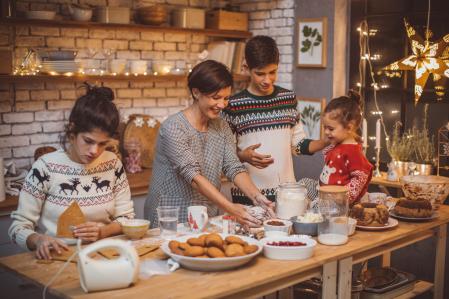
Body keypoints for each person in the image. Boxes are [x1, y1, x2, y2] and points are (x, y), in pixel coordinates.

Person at [144, 60, 275, 228]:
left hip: (205, 214)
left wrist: (257, 197)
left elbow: (233, 166)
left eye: (226, 98)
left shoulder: (221, 126)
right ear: (196, 92)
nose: (222, 105)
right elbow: (194, 177)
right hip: (170, 216)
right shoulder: (173, 127)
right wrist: (230, 208)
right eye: (216, 98)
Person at [8, 85, 134, 260]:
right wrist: (38, 240)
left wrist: (102, 231)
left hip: (104, 257)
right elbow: (18, 228)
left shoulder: (113, 164)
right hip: (57, 260)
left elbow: (127, 218)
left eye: (102, 144)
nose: (94, 151)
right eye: (88, 141)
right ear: (72, 131)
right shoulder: (45, 167)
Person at [222, 35, 328, 205]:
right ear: (246, 68)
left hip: (288, 195)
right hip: (247, 197)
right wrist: (243, 156)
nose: (267, 80)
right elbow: (223, 156)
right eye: (260, 74)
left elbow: (298, 145)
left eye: (272, 72)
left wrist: (325, 141)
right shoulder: (233, 106)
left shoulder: (288, 99)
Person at [306, 90, 373, 204]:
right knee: (303, 184)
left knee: (316, 208)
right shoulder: (338, 144)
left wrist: (343, 199)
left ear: (349, 127)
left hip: (336, 202)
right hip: (322, 192)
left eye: (331, 129)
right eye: (325, 127)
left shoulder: (353, 151)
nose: (326, 132)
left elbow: (361, 176)